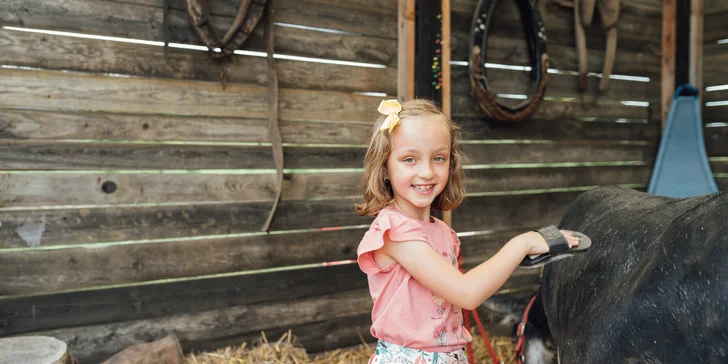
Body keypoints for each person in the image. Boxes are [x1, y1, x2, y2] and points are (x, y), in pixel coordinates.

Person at [355, 99, 581, 364]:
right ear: (384, 167)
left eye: (438, 158)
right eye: (409, 159)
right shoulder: (394, 232)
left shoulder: (441, 231)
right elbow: (467, 293)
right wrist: (523, 243)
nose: (427, 171)